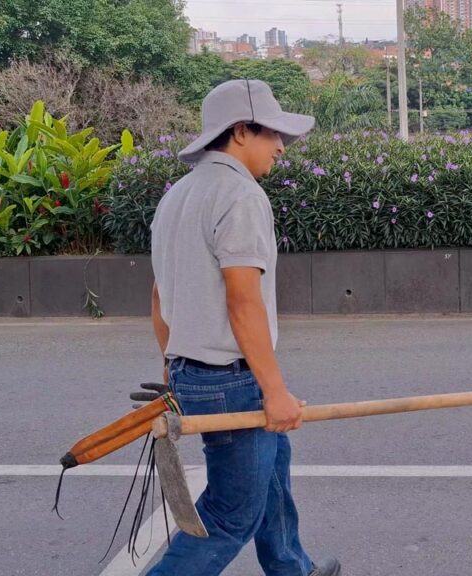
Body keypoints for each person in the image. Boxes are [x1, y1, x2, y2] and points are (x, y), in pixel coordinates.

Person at [145, 79, 340, 576]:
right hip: (231, 377)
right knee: (232, 515)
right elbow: (243, 300)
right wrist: (273, 391)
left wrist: (172, 368)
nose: (280, 147)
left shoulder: (177, 197)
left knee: (271, 471)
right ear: (238, 133)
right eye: (272, 134)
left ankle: (292, 569)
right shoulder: (240, 195)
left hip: (193, 370)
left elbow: (159, 297)